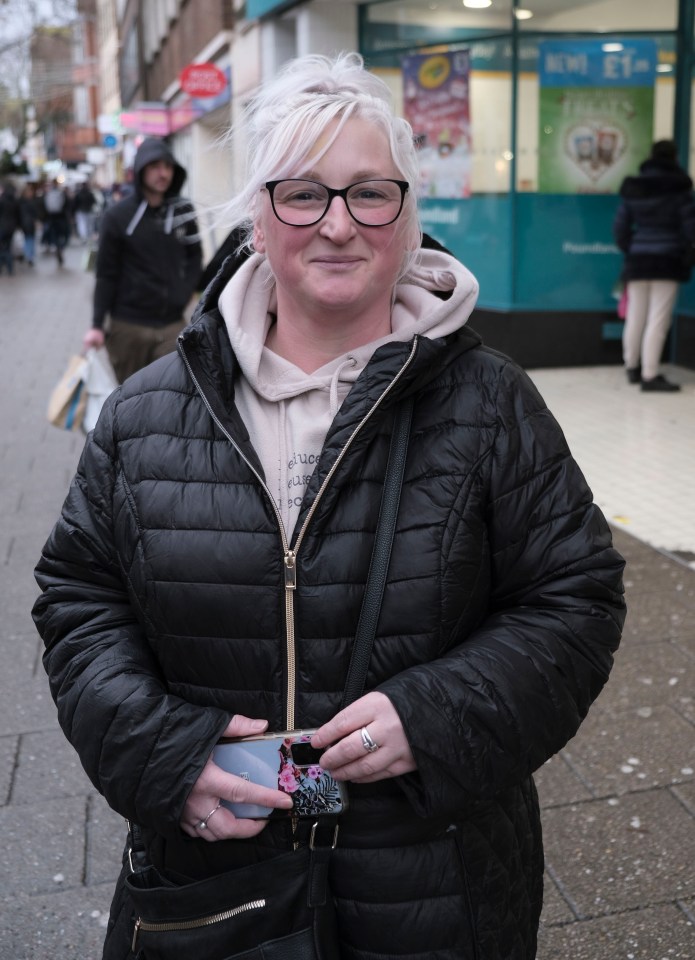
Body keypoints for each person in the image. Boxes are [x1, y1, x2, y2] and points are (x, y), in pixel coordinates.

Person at [32, 53, 626, 960]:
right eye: (303, 194)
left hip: (436, 886)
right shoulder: (145, 414)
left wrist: (437, 715)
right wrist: (161, 754)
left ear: (406, 217)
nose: (337, 225)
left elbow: (574, 600)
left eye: (368, 194)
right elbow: (79, 603)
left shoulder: (492, 402)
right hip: (213, 883)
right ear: (258, 220)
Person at [82, 137, 202, 383]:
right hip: (129, 327)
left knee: (170, 400)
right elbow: (106, 273)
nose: (163, 173)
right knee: (130, 404)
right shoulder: (116, 216)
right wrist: (96, 324)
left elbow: (195, 255)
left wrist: (185, 291)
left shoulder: (183, 211)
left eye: (168, 166)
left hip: (172, 325)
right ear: (140, 170)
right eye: (155, 166)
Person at [613, 138, 695, 392]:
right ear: (675, 158)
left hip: (638, 259)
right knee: (658, 318)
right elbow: (691, 227)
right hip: (667, 260)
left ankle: (632, 367)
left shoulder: (634, 187)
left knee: (636, 314)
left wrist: (632, 248)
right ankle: (650, 375)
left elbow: (620, 227)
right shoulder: (680, 189)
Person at [42, 178, 70, 265]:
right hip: (62, 219)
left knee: (55, 236)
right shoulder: (62, 193)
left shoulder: (47, 194)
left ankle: (58, 247)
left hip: (52, 219)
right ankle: (61, 248)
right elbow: (67, 205)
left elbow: (45, 208)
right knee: (65, 235)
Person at [0, 179, 21, 275]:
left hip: (2, 227)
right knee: (8, 247)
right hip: (12, 227)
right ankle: (10, 268)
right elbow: (18, 215)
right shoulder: (15, 200)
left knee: (2, 247)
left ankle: (2, 266)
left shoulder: (2, 199)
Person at [18, 182, 40, 267]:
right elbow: (35, 213)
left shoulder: (20, 201)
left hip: (24, 223)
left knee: (28, 239)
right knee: (30, 239)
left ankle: (28, 255)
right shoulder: (30, 202)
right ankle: (29, 256)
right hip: (29, 223)